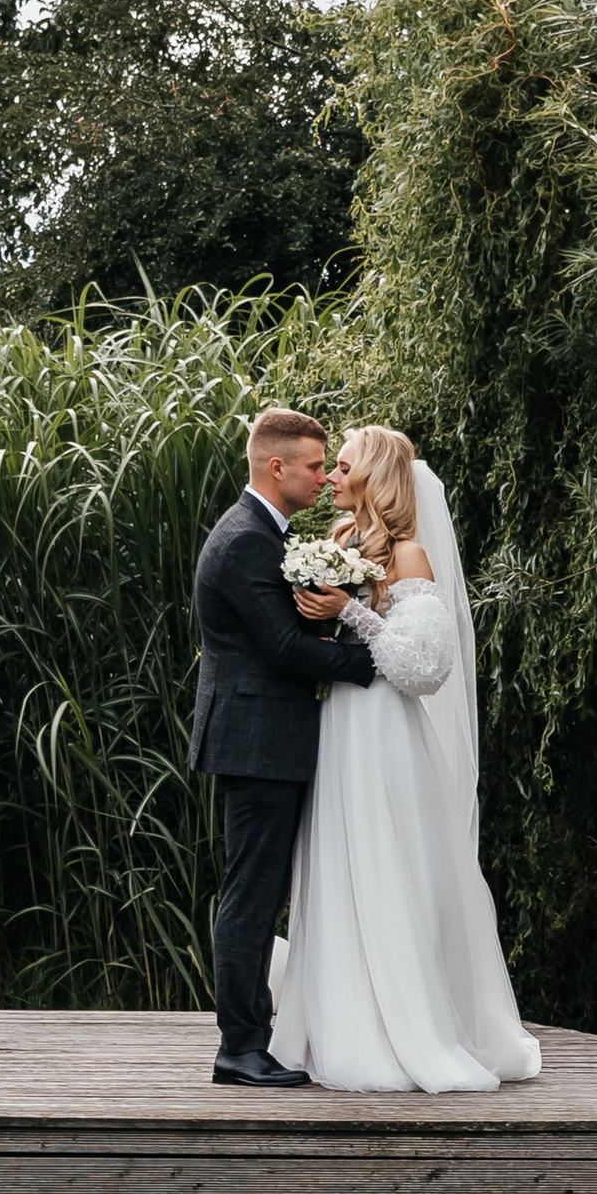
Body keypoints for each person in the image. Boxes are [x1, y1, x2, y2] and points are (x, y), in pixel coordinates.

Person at [267, 426, 542, 1095]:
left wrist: (352, 614)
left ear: (375, 475)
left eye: (342, 464)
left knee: (387, 859)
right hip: (335, 726)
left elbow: (424, 667)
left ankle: (403, 1027)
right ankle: (332, 1020)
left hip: (385, 733)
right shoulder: (331, 544)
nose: (330, 475)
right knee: (333, 860)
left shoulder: (410, 556)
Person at [189, 409, 378, 1087]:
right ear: (278, 467)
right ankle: (240, 1047)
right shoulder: (245, 541)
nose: (324, 477)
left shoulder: (267, 536)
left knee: (259, 890)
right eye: (313, 466)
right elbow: (285, 648)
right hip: (257, 740)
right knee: (252, 894)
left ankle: (256, 1038)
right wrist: (377, 657)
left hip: (263, 737)